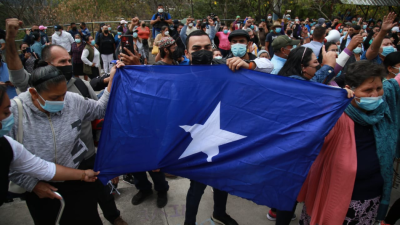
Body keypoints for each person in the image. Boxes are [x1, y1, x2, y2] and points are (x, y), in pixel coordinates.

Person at [6, 18, 127, 225]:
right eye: (54, 98)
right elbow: (7, 158)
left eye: (64, 95)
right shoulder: (15, 112)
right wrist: (32, 185)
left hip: (78, 175)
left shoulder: (72, 97)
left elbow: (99, 108)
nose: (62, 102)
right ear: (33, 93)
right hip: (42, 187)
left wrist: (112, 82)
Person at [297, 60, 400, 224]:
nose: (375, 95)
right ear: (349, 90)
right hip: (336, 197)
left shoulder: (382, 111)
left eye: (379, 88)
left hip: (371, 198)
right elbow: (306, 132)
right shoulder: (335, 117)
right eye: (367, 90)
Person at [0, 83, 100, 207]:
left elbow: (42, 167)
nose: (8, 118)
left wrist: (83, 175)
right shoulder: (18, 110)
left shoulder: (7, 146)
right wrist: (32, 184)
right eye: (5, 113)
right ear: (34, 93)